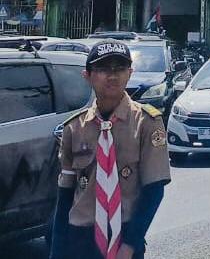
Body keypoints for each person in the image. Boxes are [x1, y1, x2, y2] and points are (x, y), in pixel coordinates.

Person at [50, 40, 170, 259]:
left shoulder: (146, 123)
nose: (112, 76)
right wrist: (57, 252)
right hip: (81, 238)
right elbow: (65, 195)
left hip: (125, 234)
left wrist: (130, 245)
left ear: (130, 73)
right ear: (87, 75)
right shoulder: (74, 128)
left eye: (119, 68)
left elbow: (154, 190)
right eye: (103, 69)